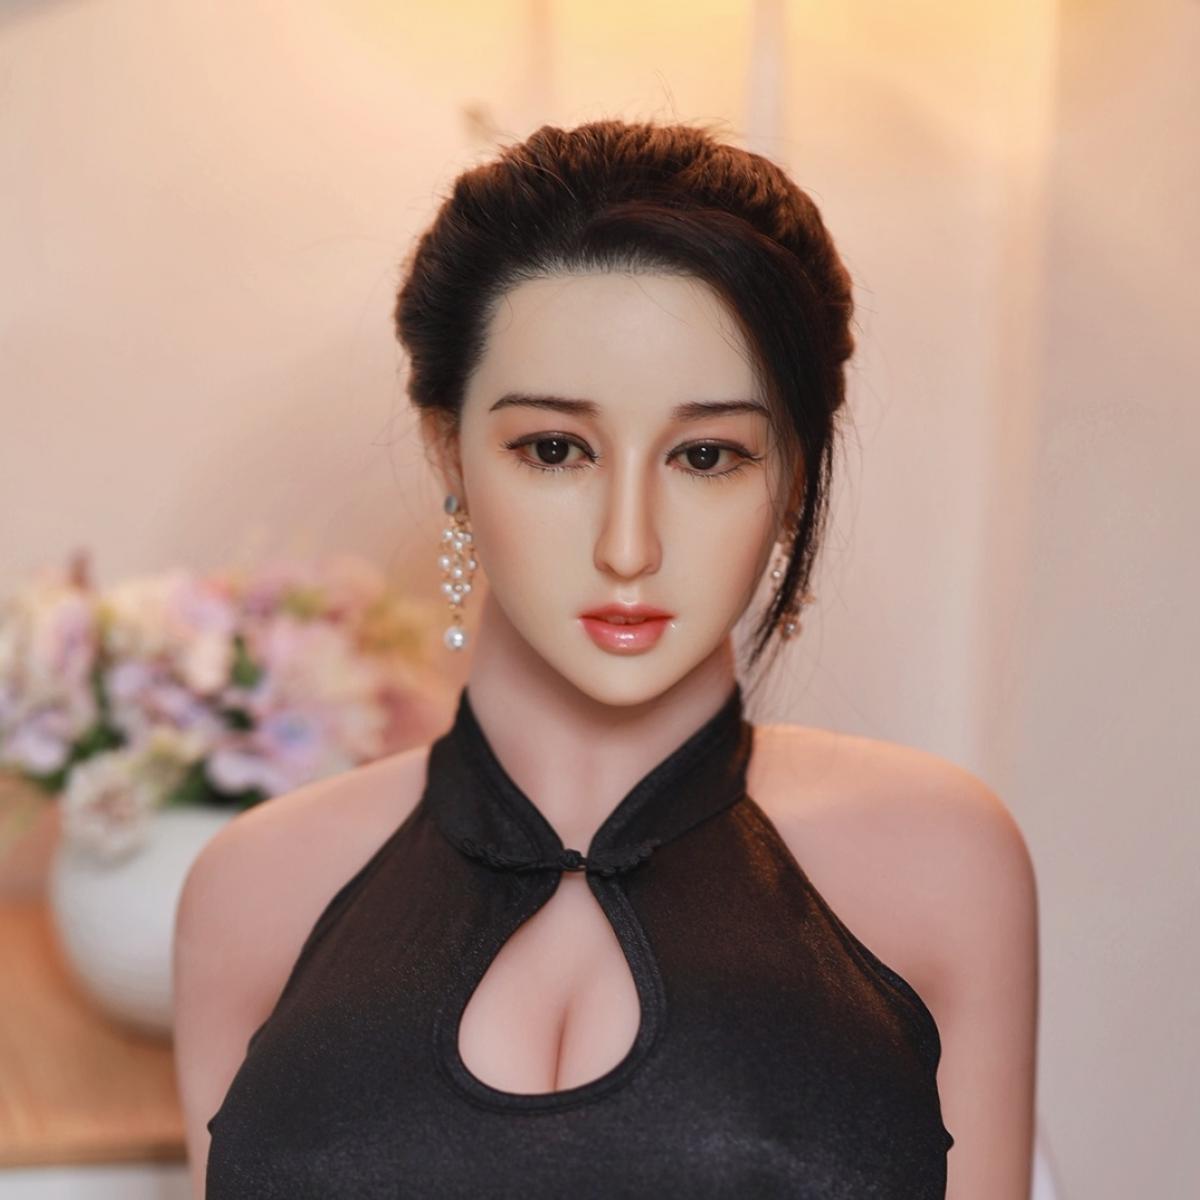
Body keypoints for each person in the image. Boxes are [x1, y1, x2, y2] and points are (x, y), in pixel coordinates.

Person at [174, 119, 1038, 1198]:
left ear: (794, 475)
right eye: (555, 449)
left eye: (706, 455)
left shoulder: (938, 860)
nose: (629, 545)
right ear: (449, 451)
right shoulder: (254, 892)